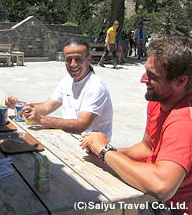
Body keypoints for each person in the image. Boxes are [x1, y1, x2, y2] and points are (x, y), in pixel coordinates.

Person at [79, 36, 192, 215]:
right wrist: (107, 152)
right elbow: (147, 148)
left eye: (152, 75)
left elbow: (162, 186)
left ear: (180, 81)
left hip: (171, 205)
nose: (142, 79)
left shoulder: (183, 121)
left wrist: (104, 151)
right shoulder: (159, 101)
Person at [5, 38, 113, 142]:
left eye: (78, 59)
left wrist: (42, 120)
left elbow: (81, 125)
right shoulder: (68, 80)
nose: (73, 64)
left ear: (88, 59)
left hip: (92, 149)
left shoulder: (95, 86)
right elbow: (47, 107)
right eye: (69, 60)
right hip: (70, 138)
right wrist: (18, 105)